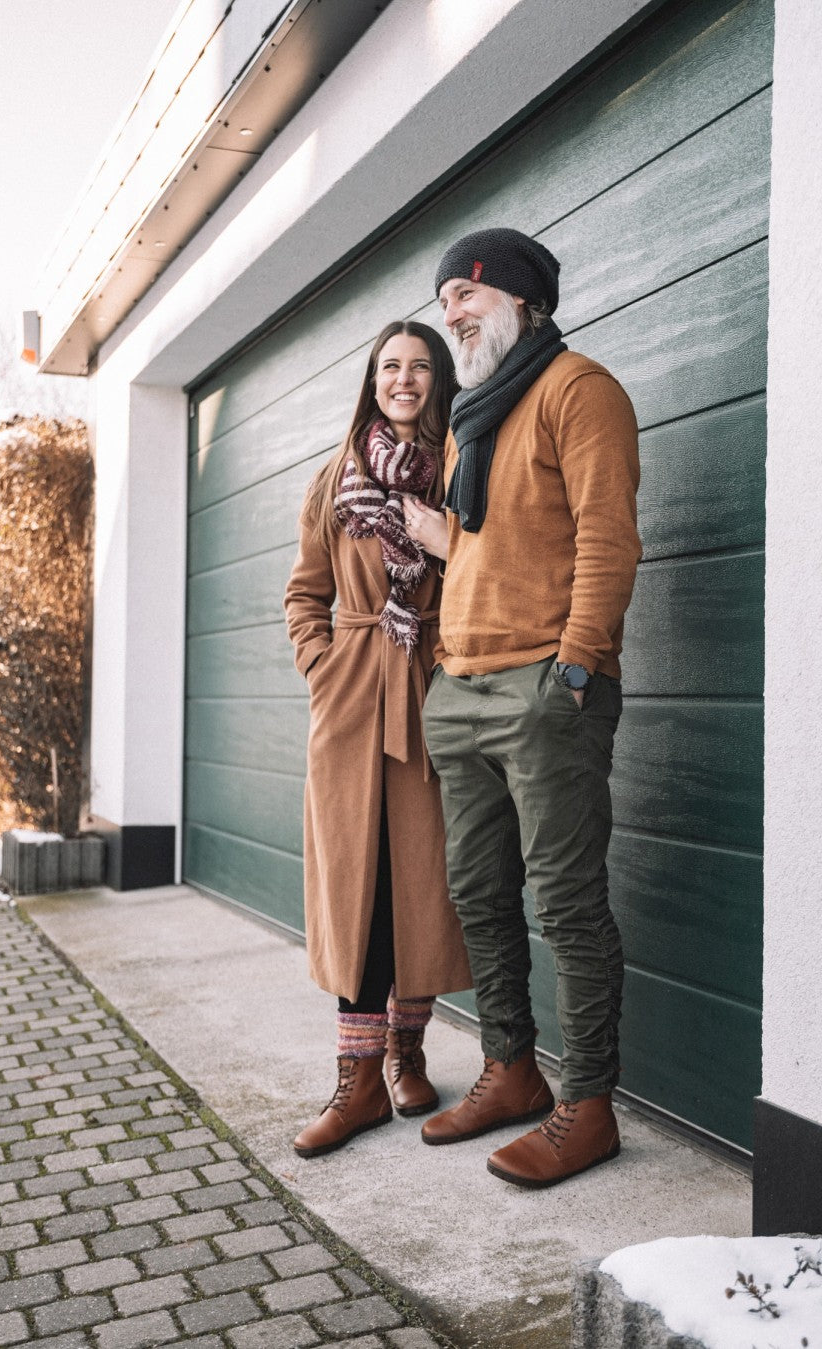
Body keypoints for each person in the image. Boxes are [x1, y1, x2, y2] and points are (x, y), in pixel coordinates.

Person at [403, 227, 641, 1187]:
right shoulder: (477, 417)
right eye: (444, 297)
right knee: (482, 894)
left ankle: (588, 1105)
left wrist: (576, 668)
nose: (450, 311)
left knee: (569, 904)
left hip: (547, 689)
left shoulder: (578, 390)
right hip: (460, 690)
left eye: (467, 292)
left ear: (522, 299)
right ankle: (512, 1069)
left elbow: (607, 536)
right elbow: (498, 548)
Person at [284, 319, 472, 1159]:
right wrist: (325, 668)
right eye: (391, 366)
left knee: (420, 883)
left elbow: (484, 569)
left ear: (439, 380)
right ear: (372, 379)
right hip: (354, 696)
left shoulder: (464, 469)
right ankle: (357, 1079)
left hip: (431, 691)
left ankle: (408, 1052)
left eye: (420, 366)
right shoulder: (336, 478)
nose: (405, 379)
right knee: (357, 883)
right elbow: (302, 594)